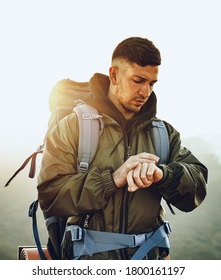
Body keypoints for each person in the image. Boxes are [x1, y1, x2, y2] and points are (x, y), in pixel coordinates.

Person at [37, 37, 208, 260]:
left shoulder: (163, 133)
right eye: (138, 80)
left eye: (152, 83)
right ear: (114, 75)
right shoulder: (73, 128)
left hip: (149, 261)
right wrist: (112, 179)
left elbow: (197, 187)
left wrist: (163, 175)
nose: (146, 92)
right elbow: (51, 196)